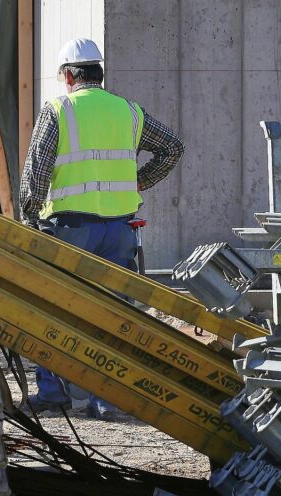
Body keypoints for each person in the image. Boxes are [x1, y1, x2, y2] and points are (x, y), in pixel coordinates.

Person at [18, 37, 185, 420]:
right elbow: (172, 148)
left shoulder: (58, 111)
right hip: (120, 231)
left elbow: (35, 177)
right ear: (98, 74)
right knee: (115, 315)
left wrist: (29, 220)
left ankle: (54, 393)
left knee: (57, 311)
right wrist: (140, 181)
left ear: (69, 76)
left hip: (71, 231)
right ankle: (108, 399)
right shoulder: (128, 112)